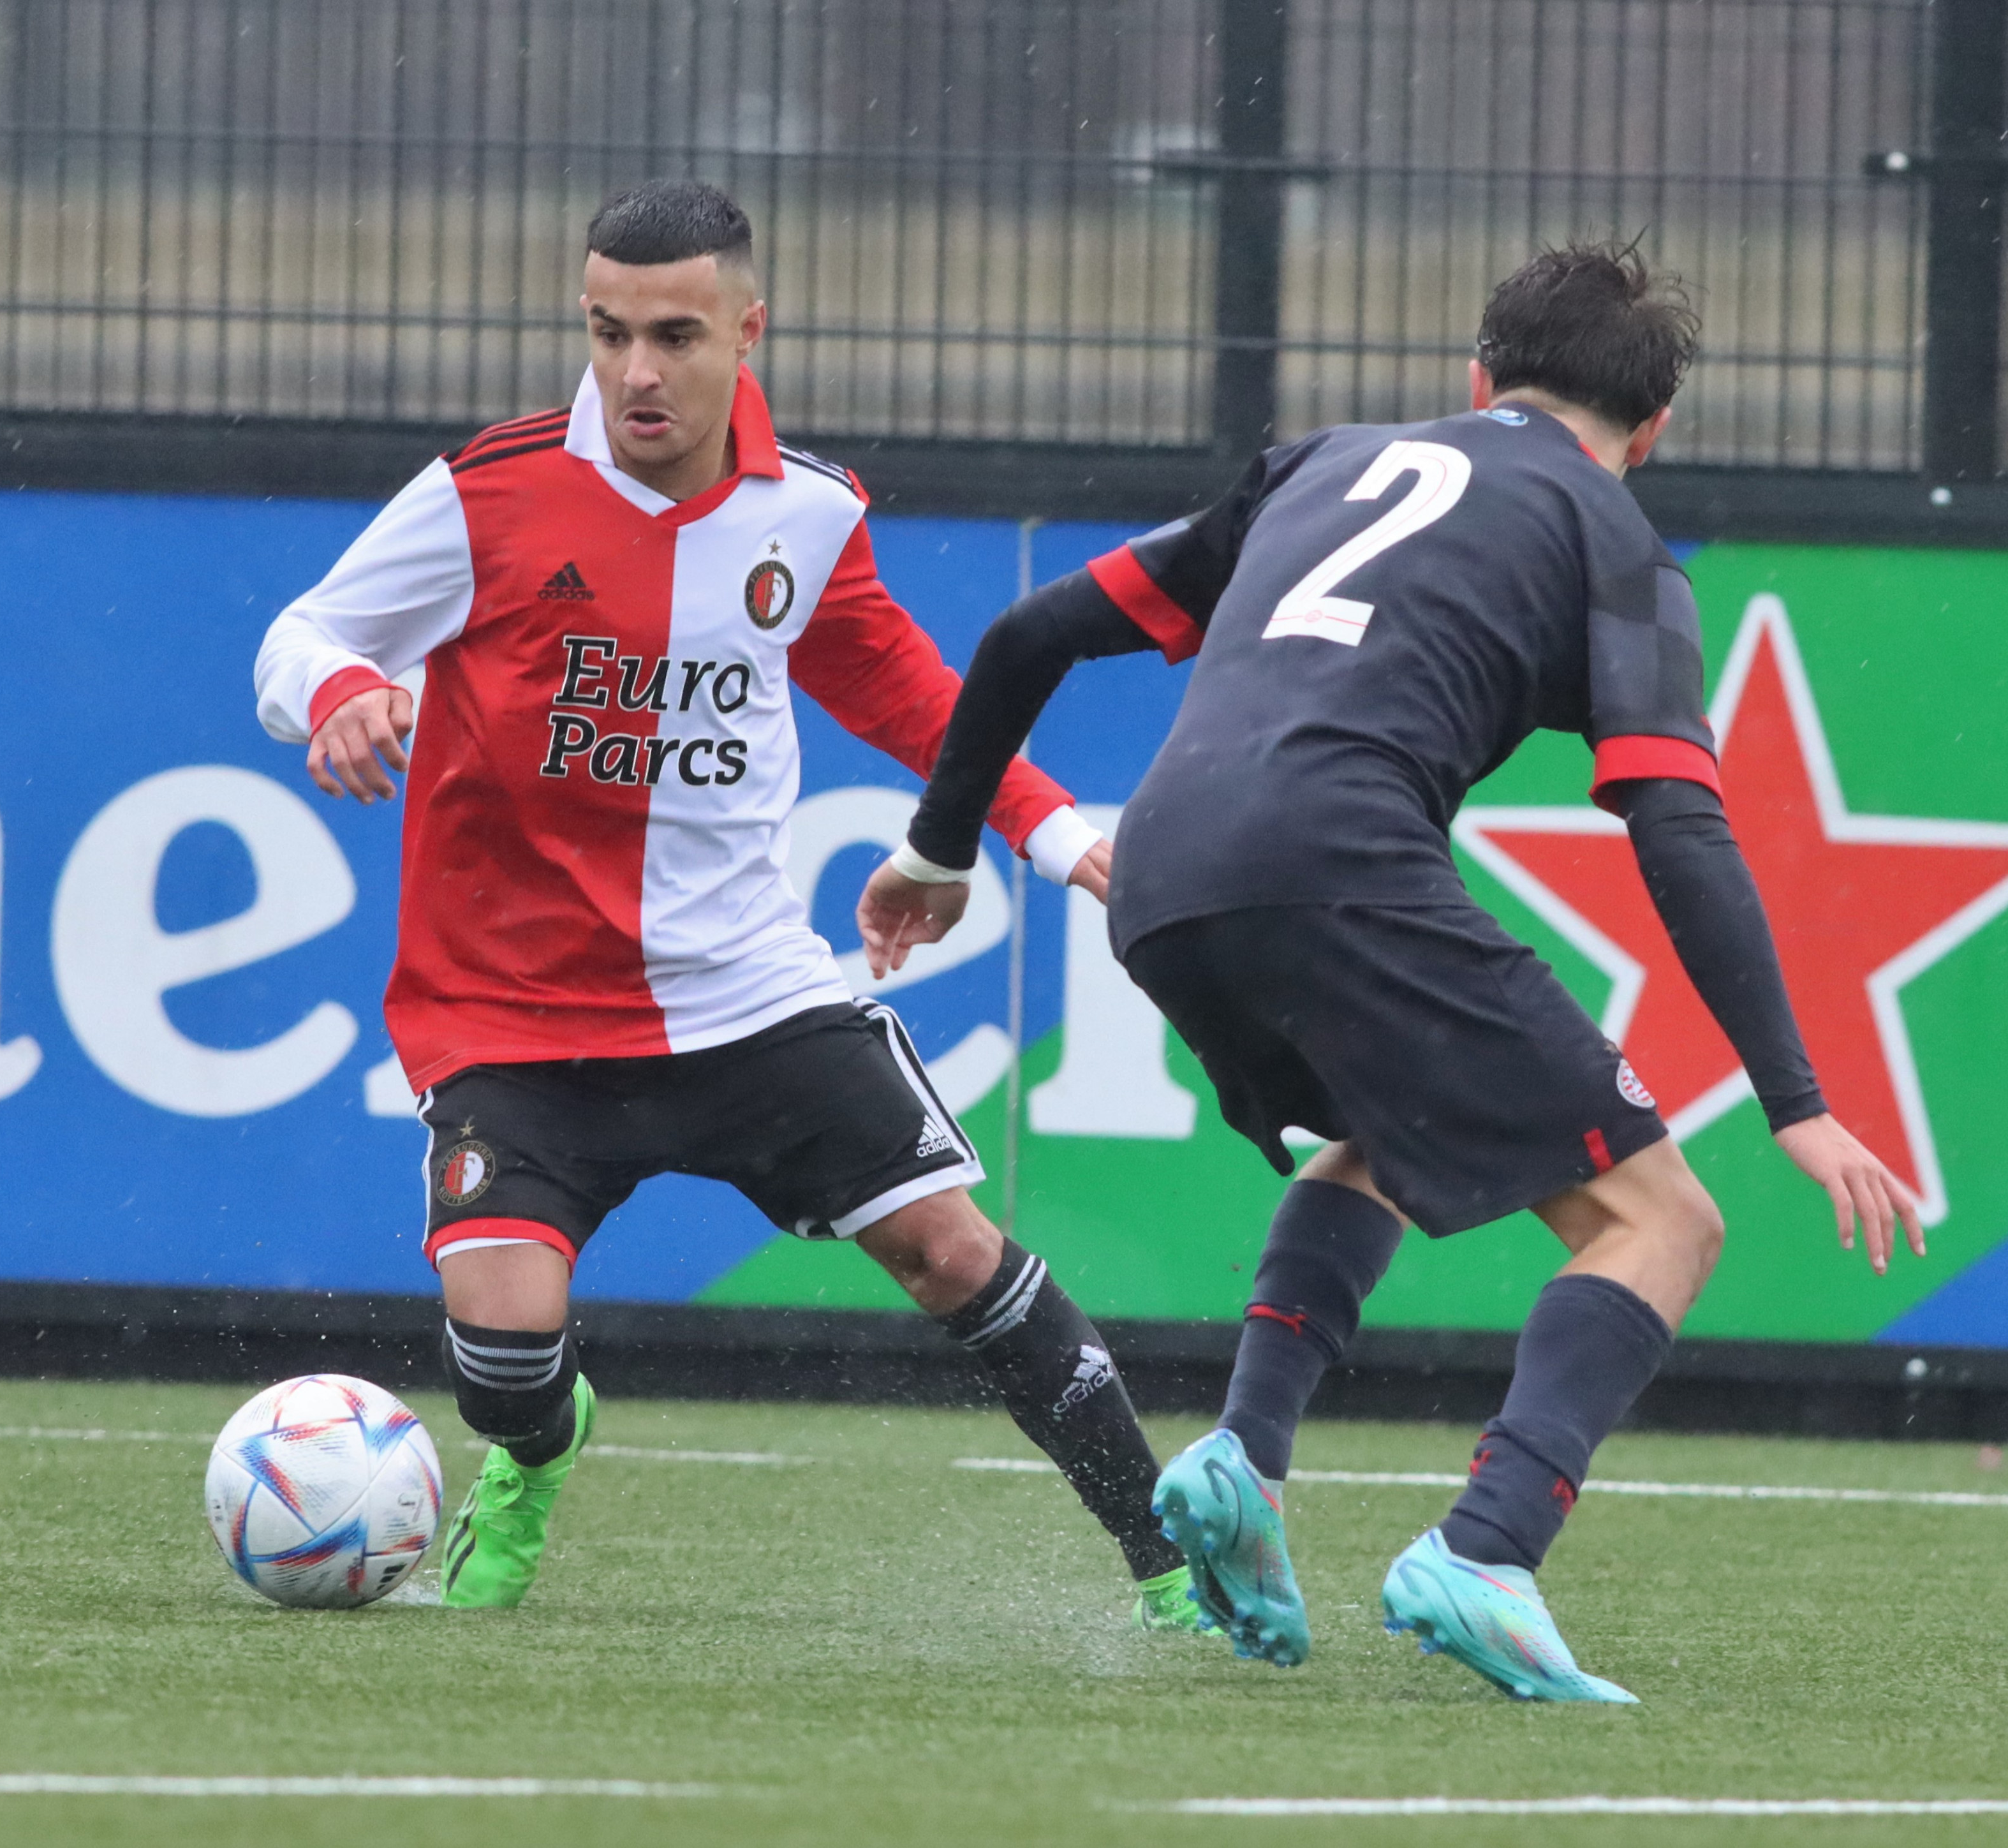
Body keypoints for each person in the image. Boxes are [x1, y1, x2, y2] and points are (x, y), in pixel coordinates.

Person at [857, 242, 1921, 1701]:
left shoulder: (1326, 461)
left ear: (1476, 380)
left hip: (1161, 875)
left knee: (1374, 1135)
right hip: (1338, 862)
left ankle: (1245, 1459)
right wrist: (1795, 1097)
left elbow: (1031, 632)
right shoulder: (1616, 542)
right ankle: (1488, 1550)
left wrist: (938, 846)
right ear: (1654, 431)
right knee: (1662, 1220)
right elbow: (1676, 818)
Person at [252, 179, 1207, 1631]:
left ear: (748, 334)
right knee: (503, 1362)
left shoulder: (807, 514)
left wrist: (1054, 828)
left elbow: (905, 687)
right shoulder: (488, 494)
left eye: (676, 336)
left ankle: (1174, 1568)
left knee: (951, 1249)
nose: (637, 371)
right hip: (513, 1018)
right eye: (608, 332)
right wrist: (339, 698)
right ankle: (541, 1448)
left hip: (747, 995)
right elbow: (305, 631)